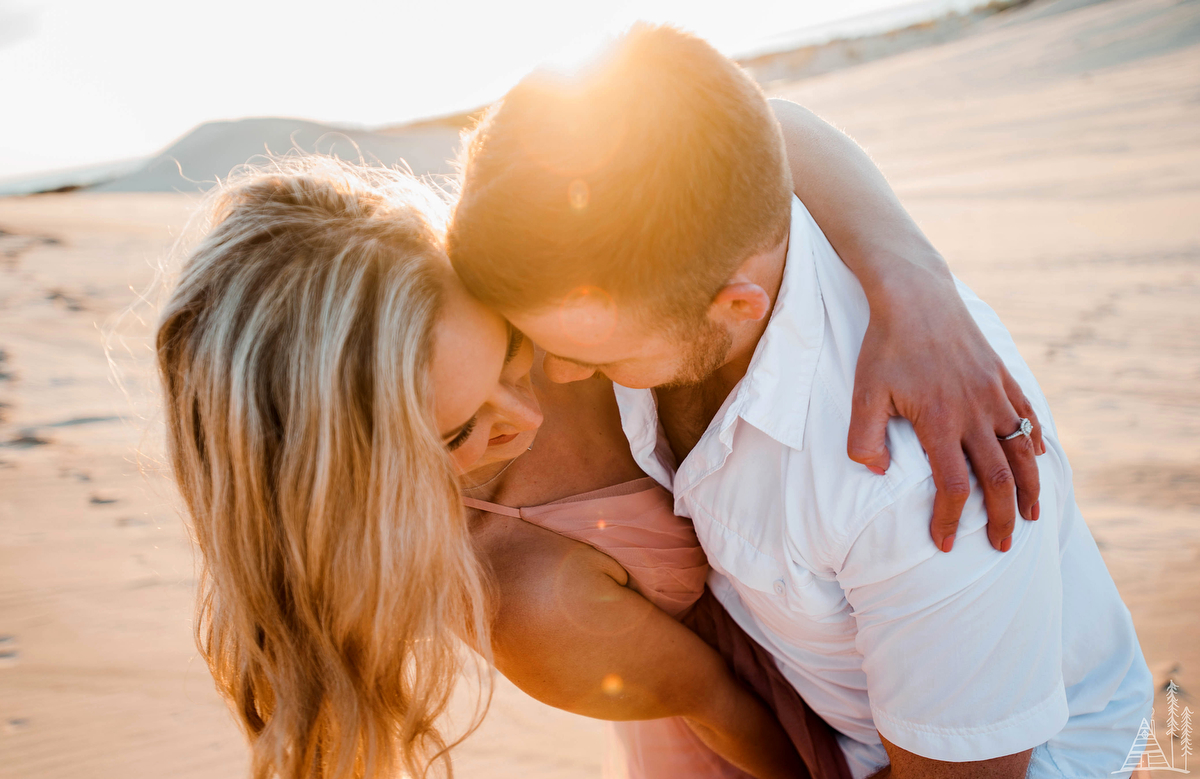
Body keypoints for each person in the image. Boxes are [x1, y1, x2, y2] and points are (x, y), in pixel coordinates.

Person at [155, 118, 1045, 778]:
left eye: (512, 351)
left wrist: (913, 288)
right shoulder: (528, 596)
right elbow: (730, 719)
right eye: (464, 433)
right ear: (361, 478)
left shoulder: (505, 271)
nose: (529, 409)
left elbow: (753, 133)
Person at [447, 24, 1154, 779]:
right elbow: (765, 121)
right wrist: (909, 273)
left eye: (597, 352)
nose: (554, 377)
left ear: (735, 308)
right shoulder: (701, 217)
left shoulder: (911, 481)